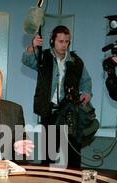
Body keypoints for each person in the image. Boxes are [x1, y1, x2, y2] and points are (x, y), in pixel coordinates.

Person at [22, 25, 94, 168]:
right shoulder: (44, 56)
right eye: (60, 41)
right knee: (47, 155)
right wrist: (33, 46)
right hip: (49, 113)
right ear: (52, 41)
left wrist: (87, 93)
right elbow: (27, 60)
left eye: (67, 41)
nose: (64, 45)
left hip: (69, 112)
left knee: (73, 155)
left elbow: (86, 80)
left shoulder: (76, 61)